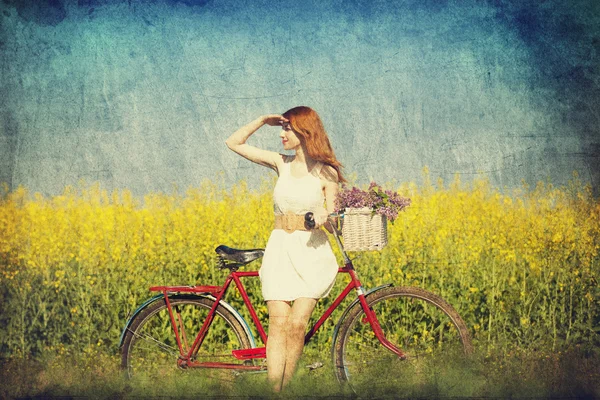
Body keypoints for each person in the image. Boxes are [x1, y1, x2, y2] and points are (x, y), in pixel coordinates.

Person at [225, 106, 345, 392]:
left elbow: (335, 223)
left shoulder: (327, 172)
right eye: (281, 128)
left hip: (312, 252)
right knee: (278, 321)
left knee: (297, 323)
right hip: (280, 248)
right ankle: (273, 392)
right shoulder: (281, 162)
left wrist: (326, 217)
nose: (281, 134)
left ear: (305, 131)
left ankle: (287, 390)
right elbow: (233, 143)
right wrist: (261, 120)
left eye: (287, 129)